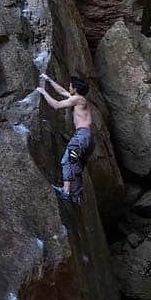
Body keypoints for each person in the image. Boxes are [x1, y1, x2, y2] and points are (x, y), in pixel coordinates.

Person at [36, 73, 94, 203]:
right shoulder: (81, 99)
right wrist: (49, 80)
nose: (68, 87)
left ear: (75, 89)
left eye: (70, 86)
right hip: (88, 139)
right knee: (76, 165)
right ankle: (76, 196)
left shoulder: (78, 100)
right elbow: (62, 91)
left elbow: (56, 105)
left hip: (81, 137)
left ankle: (66, 191)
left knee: (67, 160)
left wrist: (43, 92)